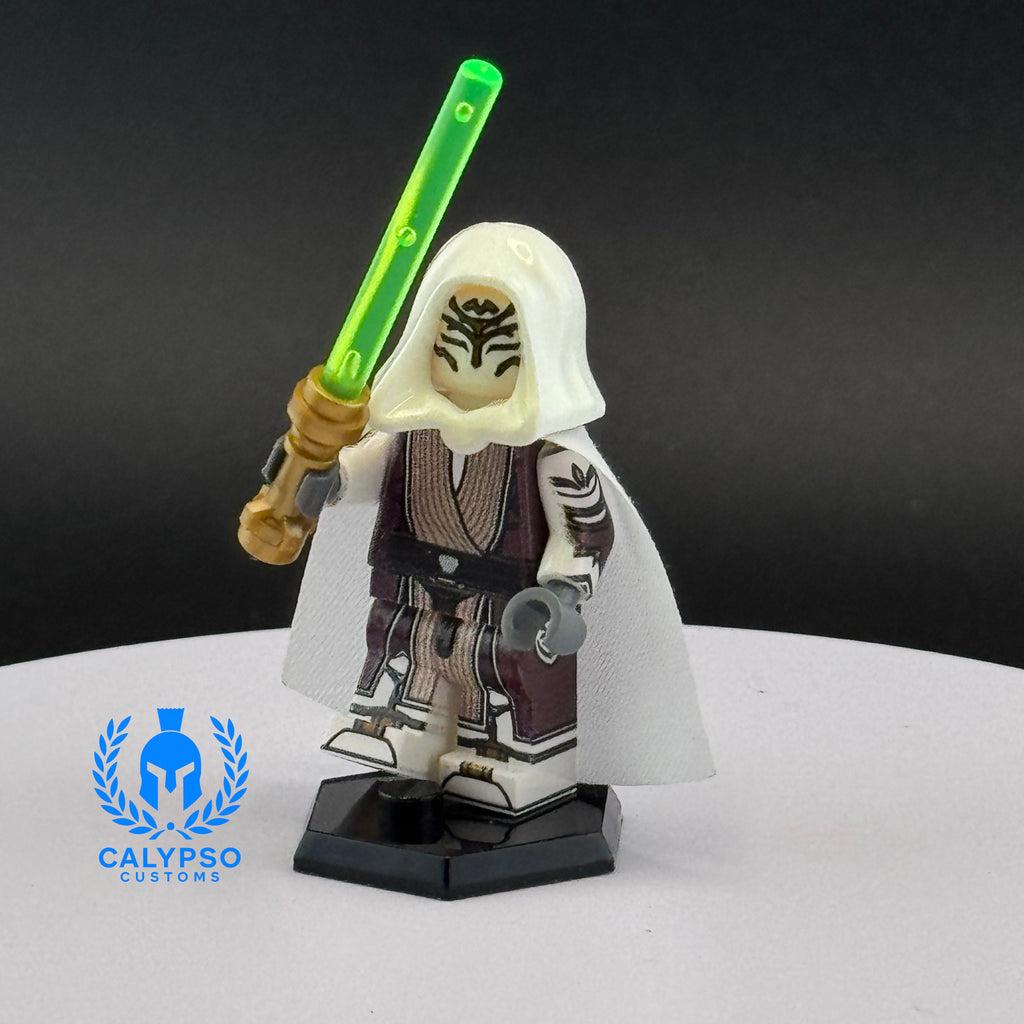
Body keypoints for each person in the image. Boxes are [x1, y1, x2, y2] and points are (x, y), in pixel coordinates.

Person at [283, 222, 713, 818]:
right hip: (411, 580)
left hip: (506, 597)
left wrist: (562, 593)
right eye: (453, 337)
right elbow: (367, 468)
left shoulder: (553, 455)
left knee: (501, 668)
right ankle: (401, 729)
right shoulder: (412, 431)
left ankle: (510, 758)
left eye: (499, 345)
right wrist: (324, 478)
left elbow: (585, 530)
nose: (473, 359)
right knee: (403, 643)